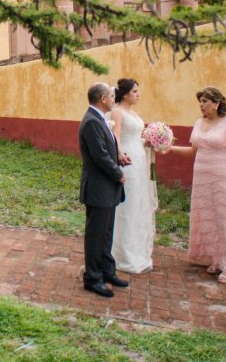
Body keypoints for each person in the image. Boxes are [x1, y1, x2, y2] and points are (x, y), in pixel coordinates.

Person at [163, 86, 226, 283]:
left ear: (216, 103)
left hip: (225, 178)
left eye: (205, 101)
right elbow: (194, 150)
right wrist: (171, 149)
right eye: (200, 102)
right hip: (202, 179)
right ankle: (216, 260)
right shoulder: (198, 123)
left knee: (225, 218)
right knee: (209, 218)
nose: (201, 105)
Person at [78, 82, 130, 297]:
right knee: (96, 234)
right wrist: (118, 173)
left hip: (107, 186)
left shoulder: (99, 119)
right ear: (102, 99)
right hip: (99, 186)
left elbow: (106, 148)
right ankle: (92, 278)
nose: (113, 97)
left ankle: (107, 270)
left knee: (106, 232)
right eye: (110, 95)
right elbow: (99, 156)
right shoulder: (91, 121)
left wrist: (119, 157)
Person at [107, 78, 156, 274]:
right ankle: (123, 255)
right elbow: (116, 135)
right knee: (128, 205)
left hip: (140, 160)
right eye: (135, 91)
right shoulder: (117, 112)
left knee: (139, 204)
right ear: (125, 94)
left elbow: (139, 137)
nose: (138, 94)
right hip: (127, 160)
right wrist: (119, 154)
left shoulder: (133, 113)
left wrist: (152, 141)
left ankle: (138, 251)